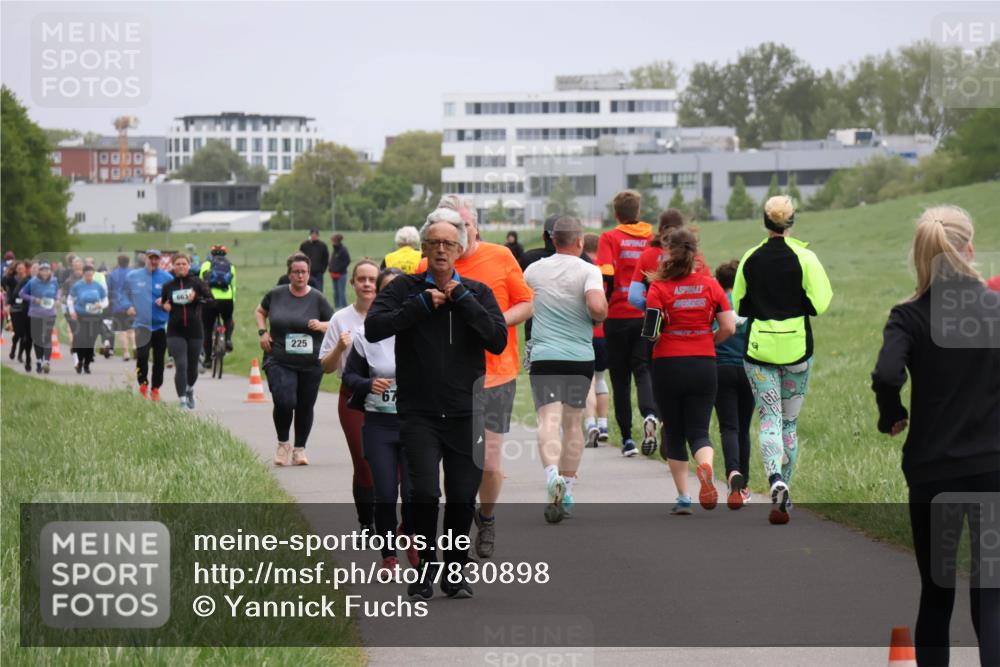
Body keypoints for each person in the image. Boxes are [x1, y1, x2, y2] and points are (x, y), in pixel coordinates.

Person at [871, 205, 999, 667]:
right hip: (991, 469)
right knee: (991, 594)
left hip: (933, 471)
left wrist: (892, 415)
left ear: (920, 256)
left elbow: (887, 373)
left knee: (938, 593)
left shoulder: (908, 315)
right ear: (968, 248)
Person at [366, 207, 507, 601]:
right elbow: (374, 328)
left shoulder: (477, 292)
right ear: (423, 249)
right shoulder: (404, 289)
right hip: (419, 413)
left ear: (460, 248)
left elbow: (497, 339)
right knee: (424, 493)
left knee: (462, 495)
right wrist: (420, 307)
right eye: (434, 243)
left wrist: (461, 298)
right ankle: (426, 567)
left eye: (449, 243)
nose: (442, 250)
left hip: (466, 411)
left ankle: (456, 572)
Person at [418, 195, 534, 560]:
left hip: (495, 375)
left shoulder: (500, 257)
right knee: (446, 465)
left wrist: (494, 322)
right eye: (449, 229)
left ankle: (486, 517)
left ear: (475, 226)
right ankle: (450, 531)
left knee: (489, 462)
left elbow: (527, 303)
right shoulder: (429, 264)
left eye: (462, 226)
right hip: (445, 379)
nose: (456, 234)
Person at [732, 195, 833, 525]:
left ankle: (773, 477)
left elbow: (740, 305)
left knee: (768, 419)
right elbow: (820, 303)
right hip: (797, 350)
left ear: (765, 222)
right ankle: (783, 494)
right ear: (791, 222)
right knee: (789, 423)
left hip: (759, 351)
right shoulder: (806, 257)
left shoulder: (750, 257)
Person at [645, 229, 735, 515]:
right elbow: (729, 326)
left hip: (668, 364)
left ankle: (683, 497)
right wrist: (709, 340)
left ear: (668, 253)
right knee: (699, 430)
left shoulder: (658, 289)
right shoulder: (711, 286)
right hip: (704, 363)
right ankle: (705, 466)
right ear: (696, 252)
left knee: (674, 430)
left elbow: (650, 333)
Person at [524, 217, 607, 522]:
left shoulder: (533, 270)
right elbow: (597, 308)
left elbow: (523, 301)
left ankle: (551, 476)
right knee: (573, 424)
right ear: (580, 241)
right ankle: (568, 490)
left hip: (545, 355)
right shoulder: (589, 271)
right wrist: (599, 314)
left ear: (552, 239)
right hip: (579, 357)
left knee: (548, 419)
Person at [342, 267, 418, 572]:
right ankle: (388, 556)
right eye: (391, 292)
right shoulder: (365, 337)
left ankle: (410, 534)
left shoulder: (421, 331)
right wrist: (367, 384)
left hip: (416, 425)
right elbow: (349, 376)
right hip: (379, 424)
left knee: (416, 493)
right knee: (386, 493)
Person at [320, 259, 380, 532]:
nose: (367, 284)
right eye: (362, 279)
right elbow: (326, 366)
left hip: (387, 397)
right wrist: (339, 348)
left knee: (391, 462)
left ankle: (390, 519)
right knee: (363, 459)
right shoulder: (340, 318)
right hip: (353, 397)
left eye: (371, 279)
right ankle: (367, 522)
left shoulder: (390, 315)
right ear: (353, 283)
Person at [257, 252, 334, 466]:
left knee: (305, 405)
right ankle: (283, 444)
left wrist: (321, 325)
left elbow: (334, 323)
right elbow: (260, 311)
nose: (300, 276)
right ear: (289, 274)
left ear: (309, 274)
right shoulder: (276, 294)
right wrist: (263, 332)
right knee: (285, 401)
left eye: (304, 272)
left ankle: (300, 449)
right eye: (296, 272)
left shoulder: (318, 298)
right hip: (279, 358)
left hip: (310, 362)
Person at [597, 190, 657, 457]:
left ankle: (627, 439)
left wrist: (604, 306)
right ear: (638, 210)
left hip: (617, 315)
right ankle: (650, 414)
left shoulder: (609, 238)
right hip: (645, 315)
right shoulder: (652, 237)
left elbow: (605, 274)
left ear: (616, 213)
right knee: (643, 369)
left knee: (620, 380)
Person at [713, 259, 754, 509]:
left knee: (728, 427)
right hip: (748, 369)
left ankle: (732, 477)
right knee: (744, 428)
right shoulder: (749, 304)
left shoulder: (717, 302)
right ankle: (744, 486)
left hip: (720, 368)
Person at [627, 208, 710, 313]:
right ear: (683, 230)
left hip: (662, 324)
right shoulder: (695, 256)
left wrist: (654, 311)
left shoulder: (647, 255)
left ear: (660, 230)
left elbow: (634, 297)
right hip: (695, 319)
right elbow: (709, 291)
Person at [161, 254, 213, 409]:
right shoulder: (168, 286)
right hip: (175, 331)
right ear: (173, 266)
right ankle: (182, 400)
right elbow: (164, 301)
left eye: (184, 263)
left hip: (195, 330)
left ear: (189, 266)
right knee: (181, 365)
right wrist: (164, 306)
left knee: (192, 367)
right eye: (178, 264)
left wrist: (196, 298)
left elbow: (211, 301)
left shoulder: (197, 283)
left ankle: (189, 389)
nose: (181, 266)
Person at [124, 250, 172, 400]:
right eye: (151, 258)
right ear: (146, 259)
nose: (153, 261)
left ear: (159, 260)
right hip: (142, 325)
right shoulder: (133, 276)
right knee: (142, 357)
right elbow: (123, 294)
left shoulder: (167, 278)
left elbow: (173, 298)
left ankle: (156, 388)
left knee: (159, 360)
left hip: (160, 326)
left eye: (156, 259)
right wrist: (128, 306)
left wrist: (166, 303)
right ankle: (143, 384)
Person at [582, 233, 610, 446]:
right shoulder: (606, 270)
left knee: (586, 381)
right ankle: (603, 424)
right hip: (603, 333)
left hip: (584, 332)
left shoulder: (583, 268)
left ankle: (590, 423)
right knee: (600, 379)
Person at [19, 261, 60, 374]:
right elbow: (22, 294)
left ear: (50, 271)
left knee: (46, 338)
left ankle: (46, 362)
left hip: (50, 314)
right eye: (43, 270)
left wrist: (57, 300)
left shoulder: (54, 281)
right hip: (35, 314)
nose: (45, 272)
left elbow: (58, 292)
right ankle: (39, 360)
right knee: (37, 339)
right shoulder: (32, 282)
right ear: (39, 271)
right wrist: (34, 299)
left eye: (47, 270)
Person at [199, 245, 236, 370]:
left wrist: (201, 299)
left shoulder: (205, 265)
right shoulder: (230, 266)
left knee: (207, 328)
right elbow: (233, 287)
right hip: (227, 299)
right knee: (228, 319)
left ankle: (208, 359)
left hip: (210, 299)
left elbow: (200, 284)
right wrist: (232, 300)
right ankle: (228, 340)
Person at [67, 265, 108, 374]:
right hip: (81, 317)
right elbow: (70, 299)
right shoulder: (78, 285)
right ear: (83, 274)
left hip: (95, 317)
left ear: (93, 274)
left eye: (91, 275)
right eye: (87, 275)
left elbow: (105, 300)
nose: (89, 277)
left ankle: (87, 364)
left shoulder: (98, 286)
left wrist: (101, 305)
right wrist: (72, 312)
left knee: (91, 341)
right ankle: (80, 361)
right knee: (82, 341)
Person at [107, 254, 135, 361]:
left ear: (118, 262)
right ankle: (134, 346)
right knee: (131, 329)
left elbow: (109, 289)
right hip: (131, 305)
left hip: (117, 305)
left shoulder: (113, 274)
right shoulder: (132, 273)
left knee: (121, 330)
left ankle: (126, 352)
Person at [4, 261, 30, 367]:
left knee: (25, 334)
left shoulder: (28, 280)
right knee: (18, 332)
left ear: (25, 269)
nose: (20, 270)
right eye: (18, 268)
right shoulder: (10, 279)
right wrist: (8, 305)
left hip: (25, 309)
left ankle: (20, 354)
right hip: (15, 309)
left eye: (22, 268)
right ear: (16, 269)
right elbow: (9, 293)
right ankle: (14, 346)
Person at [299, 229, 330, 294]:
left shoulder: (322, 246)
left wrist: (322, 269)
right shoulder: (304, 245)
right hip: (307, 272)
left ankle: (319, 303)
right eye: (313, 234)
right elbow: (300, 257)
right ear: (310, 235)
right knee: (307, 290)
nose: (314, 236)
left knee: (319, 290)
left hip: (318, 273)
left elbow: (326, 259)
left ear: (318, 236)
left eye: (315, 235)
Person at [329, 233, 351, 309]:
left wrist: (338, 269)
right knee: (335, 292)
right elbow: (332, 261)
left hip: (341, 274)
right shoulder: (335, 250)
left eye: (333, 240)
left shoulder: (343, 250)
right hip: (334, 274)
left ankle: (344, 307)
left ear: (337, 240)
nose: (332, 242)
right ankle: (337, 307)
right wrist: (330, 269)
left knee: (341, 292)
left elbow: (347, 261)